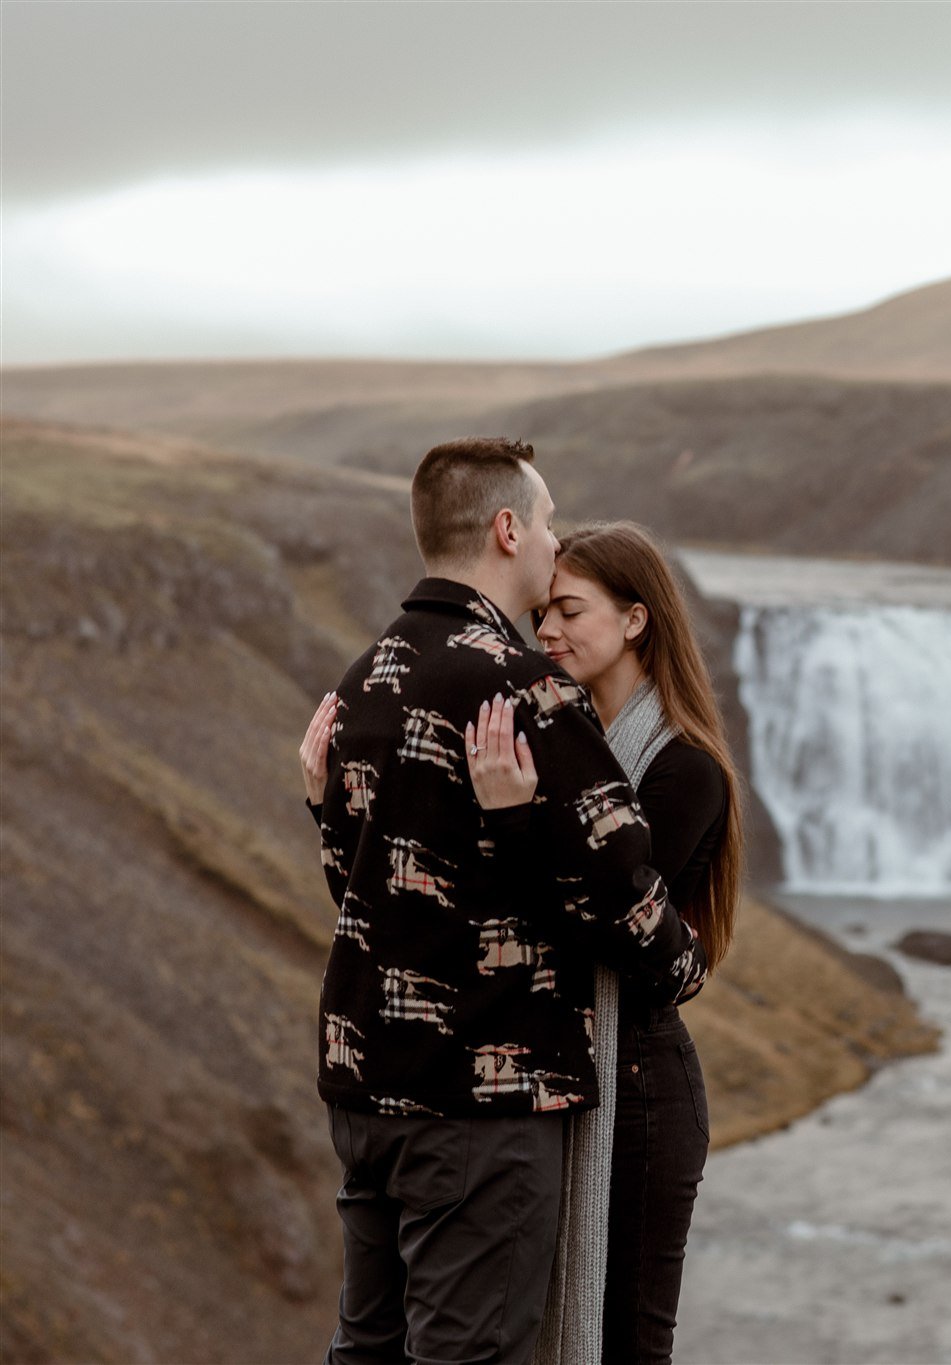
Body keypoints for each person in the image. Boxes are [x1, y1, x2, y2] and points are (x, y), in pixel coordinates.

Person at [298, 437, 705, 1365]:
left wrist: (318, 806)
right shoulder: (526, 692)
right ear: (508, 528)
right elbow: (623, 893)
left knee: (366, 1348)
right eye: (551, 521)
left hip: (364, 1091)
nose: (556, 543)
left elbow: (367, 892)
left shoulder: (365, 680)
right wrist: (681, 961)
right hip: (480, 1104)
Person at [466, 521, 742, 1365]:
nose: (544, 631)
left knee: (630, 1340)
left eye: (569, 611)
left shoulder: (683, 770)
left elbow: (610, 922)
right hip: (563, 1080)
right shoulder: (561, 746)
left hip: (644, 1094)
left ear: (635, 619)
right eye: (542, 611)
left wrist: (515, 823)